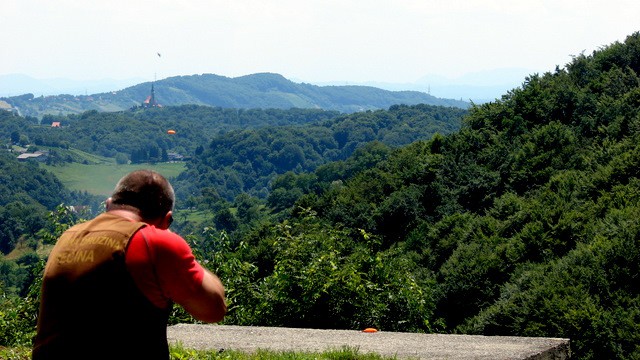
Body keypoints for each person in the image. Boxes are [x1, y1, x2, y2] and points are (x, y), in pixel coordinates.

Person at [32, 169, 227, 359]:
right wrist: (170, 243)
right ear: (166, 219)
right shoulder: (154, 242)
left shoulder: (69, 236)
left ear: (108, 205)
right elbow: (214, 309)